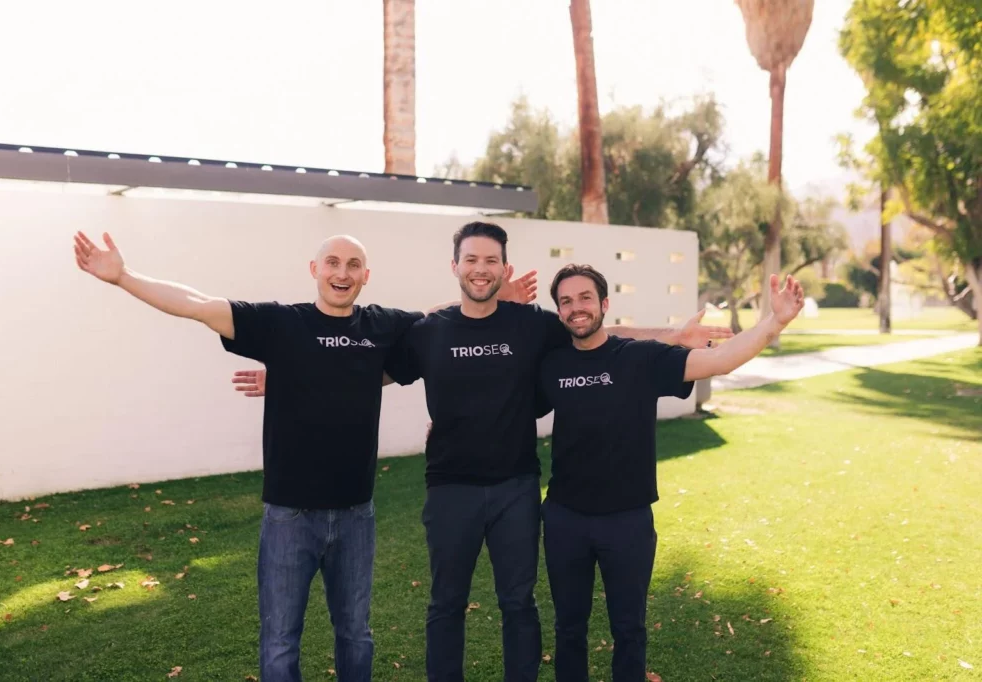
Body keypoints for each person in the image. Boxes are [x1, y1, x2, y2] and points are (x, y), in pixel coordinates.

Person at [71, 230, 537, 682]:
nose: (342, 272)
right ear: (315, 270)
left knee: (356, 636)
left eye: (353, 265)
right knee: (279, 642)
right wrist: (124, 276)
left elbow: (441, 320)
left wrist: (496, 301)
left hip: (357, 514)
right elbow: (198, 305)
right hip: (289, 516)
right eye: (332, 263)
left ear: (366, 276)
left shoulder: (382, 325)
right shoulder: (280, 323)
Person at [381, 221, 732, 682]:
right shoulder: (430, 329)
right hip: (451, 488)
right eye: (471, 260)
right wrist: (296, 379)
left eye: (491, 261)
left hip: (517, 487)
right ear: (455, 266)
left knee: (518, 603)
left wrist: (671, 334)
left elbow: (601, 332)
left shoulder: (533, 325)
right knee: (446, 602)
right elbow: (380, 374)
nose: (480, 269)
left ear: (505, 268)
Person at [537, 263, 804, 682]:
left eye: (585, 298)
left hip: (627, 521)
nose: (577, 308)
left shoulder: (641, 358)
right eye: (566, 301)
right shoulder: (550, 365)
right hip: (565, 518)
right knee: (569, 629)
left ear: (604, 304)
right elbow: (504, 396)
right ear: (560, 312)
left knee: (629, 630)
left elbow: (719, 360)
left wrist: (775, 322)